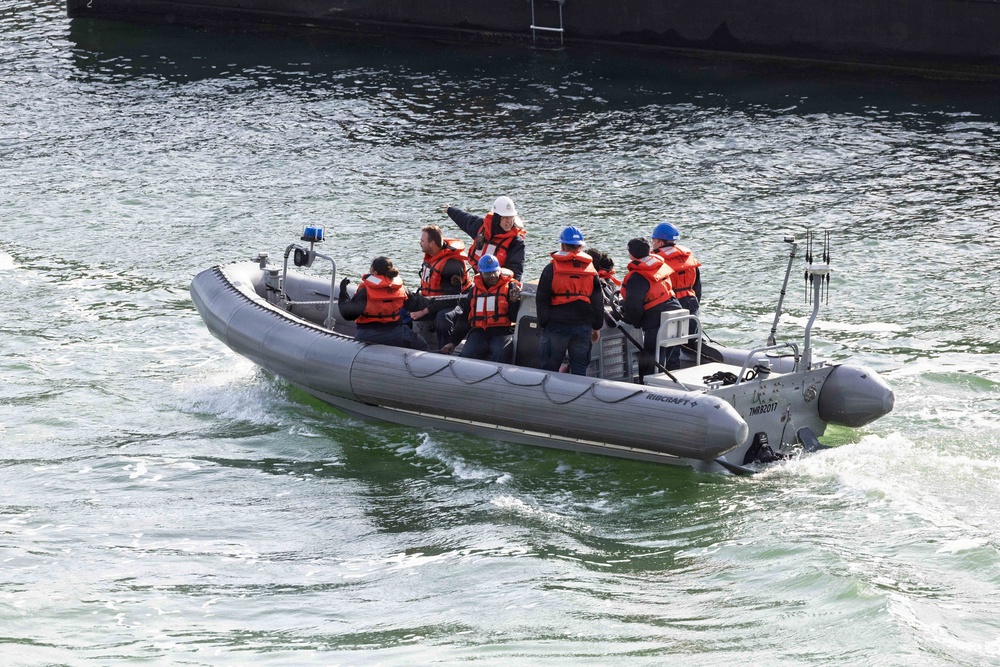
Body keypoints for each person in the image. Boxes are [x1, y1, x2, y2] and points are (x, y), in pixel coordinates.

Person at [535, 226, 605, 376]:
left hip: (556, 327)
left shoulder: (551, 269)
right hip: (582, 328)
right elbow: (597, 301)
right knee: (580, 370)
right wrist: (596, 326)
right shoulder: (591, 271)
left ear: (562, 245)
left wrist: (544, 323)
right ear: (580, 247)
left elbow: (541, 299)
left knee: (549, 370)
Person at [620, 238, 684, 377]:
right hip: (675, 311)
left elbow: (633, 306)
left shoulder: (637, 276)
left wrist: (635, 322)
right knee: (672, 350)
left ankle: (649, 383)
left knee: (651, 357)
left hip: (656, 320)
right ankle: (674, 376)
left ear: (631, 254)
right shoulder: (659, 265)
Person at [338, 256, 431, 351]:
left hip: (367, 334)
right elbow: (418, 304)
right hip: (396, 333)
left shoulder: (365, 291)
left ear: (374, 272)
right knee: (422, 346)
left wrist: (343, 292)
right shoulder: (401, 289)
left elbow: (348, 314)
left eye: (371, 268)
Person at [440, 255, 522, 362]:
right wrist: (453, 342)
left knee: (501, 353)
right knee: (467, 355)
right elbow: (465, 319)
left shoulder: (510, 288)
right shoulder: (474, 291)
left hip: (502, 333)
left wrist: (514, 301)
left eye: (495, 271)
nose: (492, 275)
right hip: (480, 333)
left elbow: (514, 318)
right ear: (481, 273)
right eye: (488, 273)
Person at [443, 196, 526, 281]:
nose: (509, 221)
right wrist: (450, 210)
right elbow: (464, 219)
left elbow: (516, 268)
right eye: (505, 217)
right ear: (496, 218)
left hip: (498, 283)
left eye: (511, 217)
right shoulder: (481, 227)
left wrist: (513, 285)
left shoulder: (516, 242)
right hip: (479, 278)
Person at [416, 224, 472, 350]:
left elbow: (452, 299)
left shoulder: (452, 265)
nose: (420, 243)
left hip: (456, 304)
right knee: (405, 305)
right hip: (433, 300)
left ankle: (444, 350)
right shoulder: (432, 257)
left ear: (432, 244)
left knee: (443, 318)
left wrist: (425, 310)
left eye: (422, 240)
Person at [650, 222, 702, 318]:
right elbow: (697, 288)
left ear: (661, 242)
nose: (652, 244)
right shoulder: (689, 259)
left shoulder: (657, 261)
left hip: (668, 308)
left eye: (653, 240)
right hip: (691, 305)